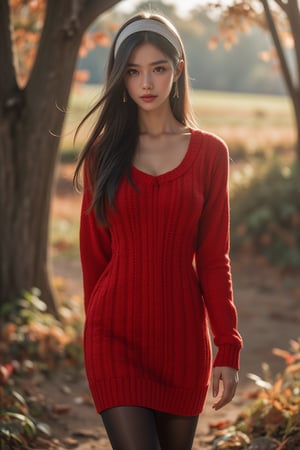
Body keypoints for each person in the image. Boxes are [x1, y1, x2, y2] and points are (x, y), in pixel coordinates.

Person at [73, 11, 243, 450]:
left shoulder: (209, 154)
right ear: (120, 78)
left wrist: (228, 345)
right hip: (114, 338)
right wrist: (94, 332)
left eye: (158, 68)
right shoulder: (103, 154)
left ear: (177, 70)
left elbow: (212, 257)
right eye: (133, 71)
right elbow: (94, 257)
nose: (145, 83)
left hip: (181, 343)